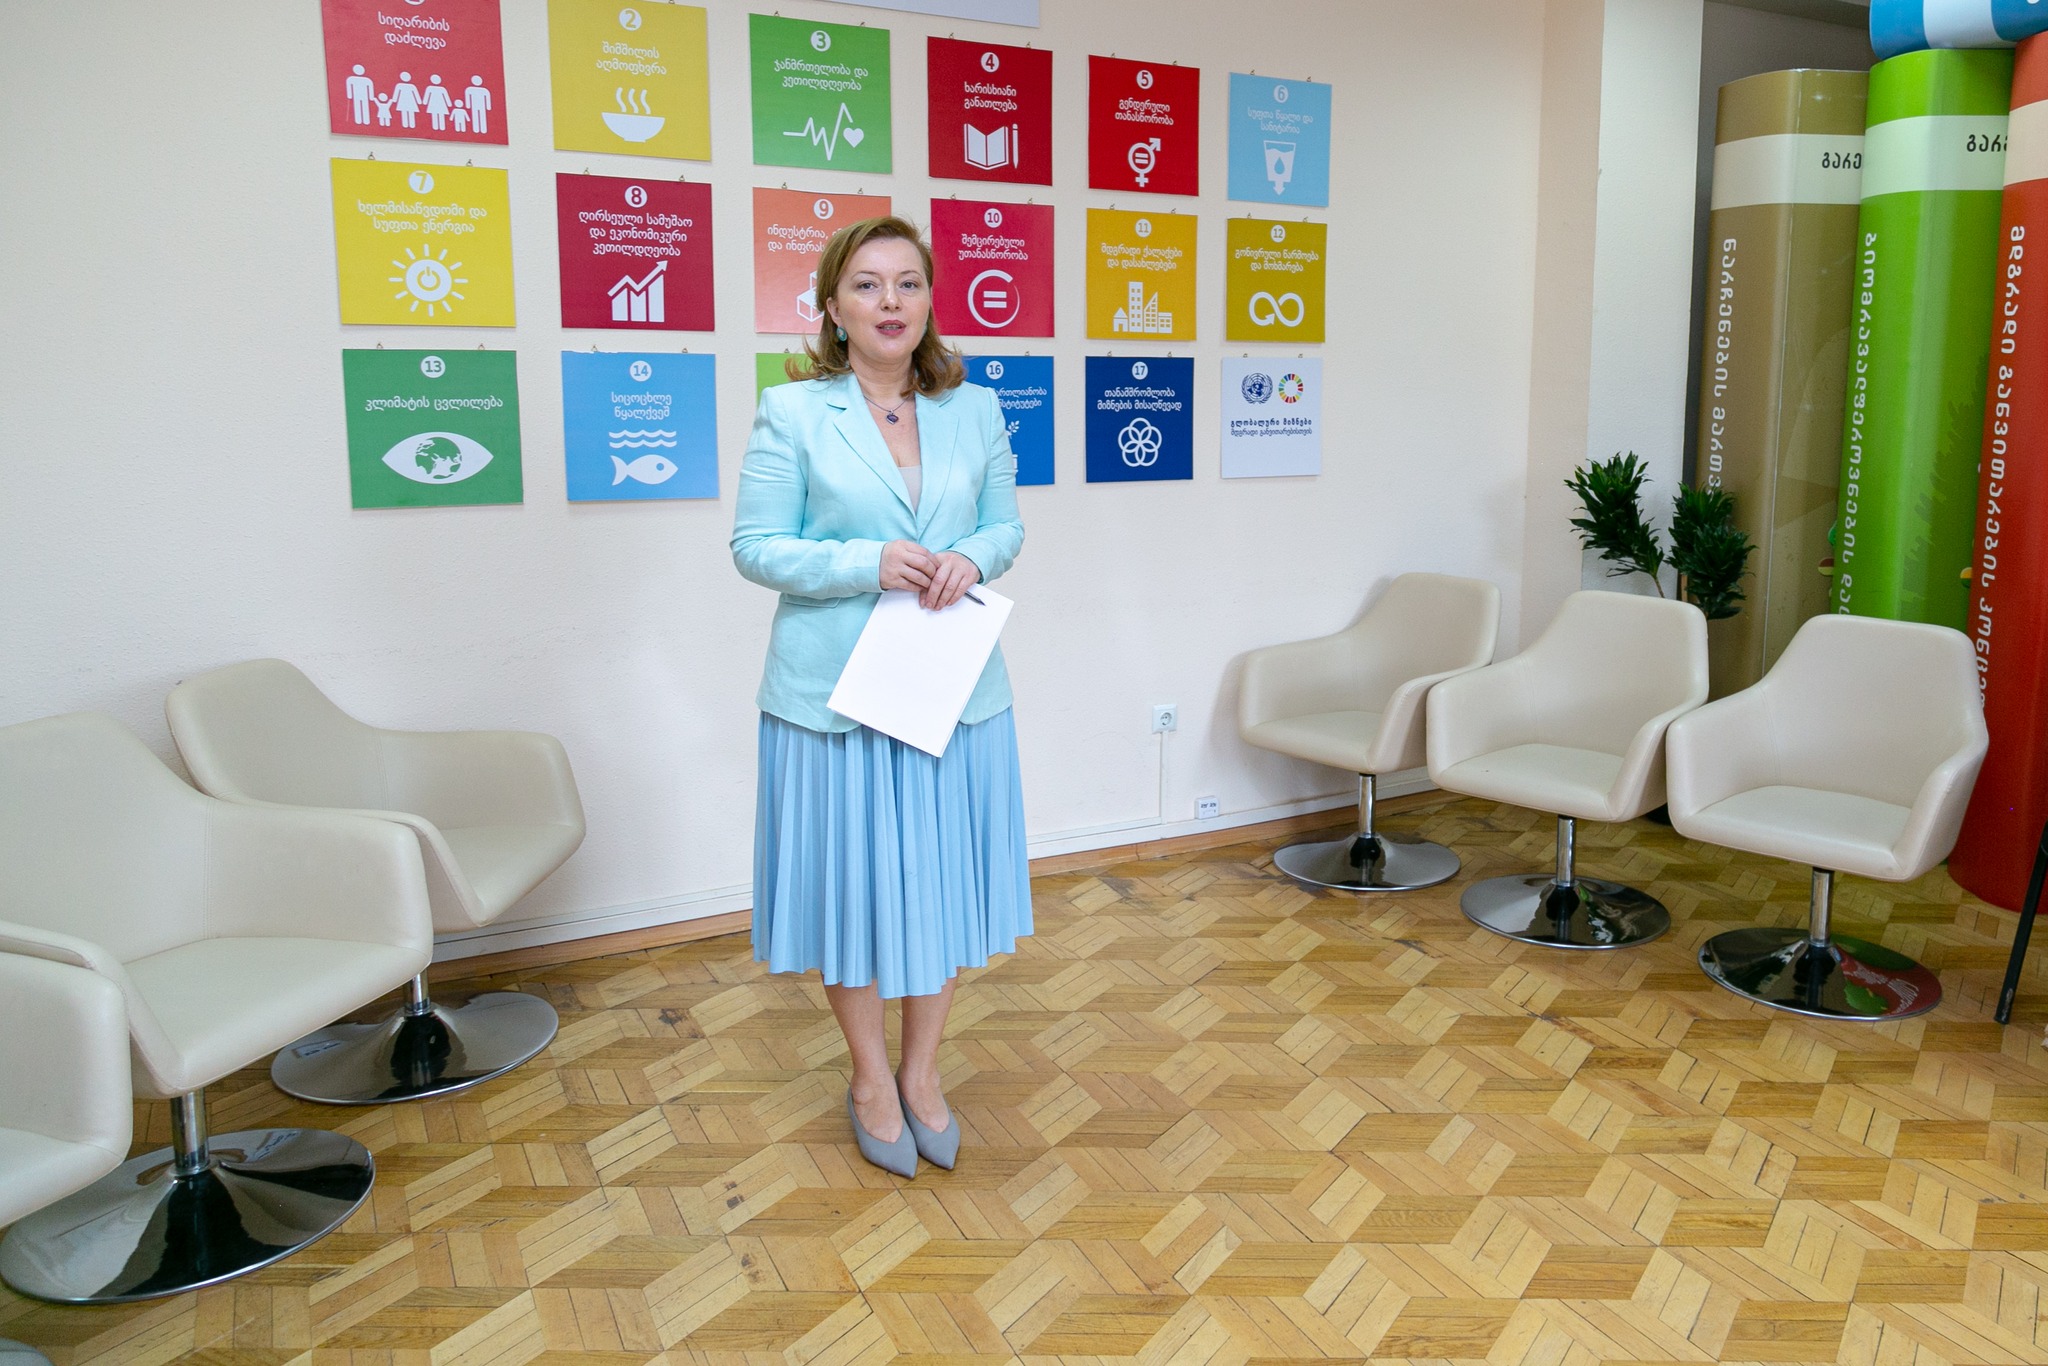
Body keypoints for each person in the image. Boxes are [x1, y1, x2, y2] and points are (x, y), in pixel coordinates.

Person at [731, 217, 1030, 1178]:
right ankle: (869, 1080)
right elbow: (755, 548)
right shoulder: (792, 412)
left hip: (950, 689)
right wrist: (868, 563)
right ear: (833, 306)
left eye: (908, 282)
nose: (890, 301)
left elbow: (1005, 525)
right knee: (854, 895)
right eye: (866, 284)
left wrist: (968, 558)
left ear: (930, 300)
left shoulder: (975, 408)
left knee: (938, 889)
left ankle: (923, 1075)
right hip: (836, 702)